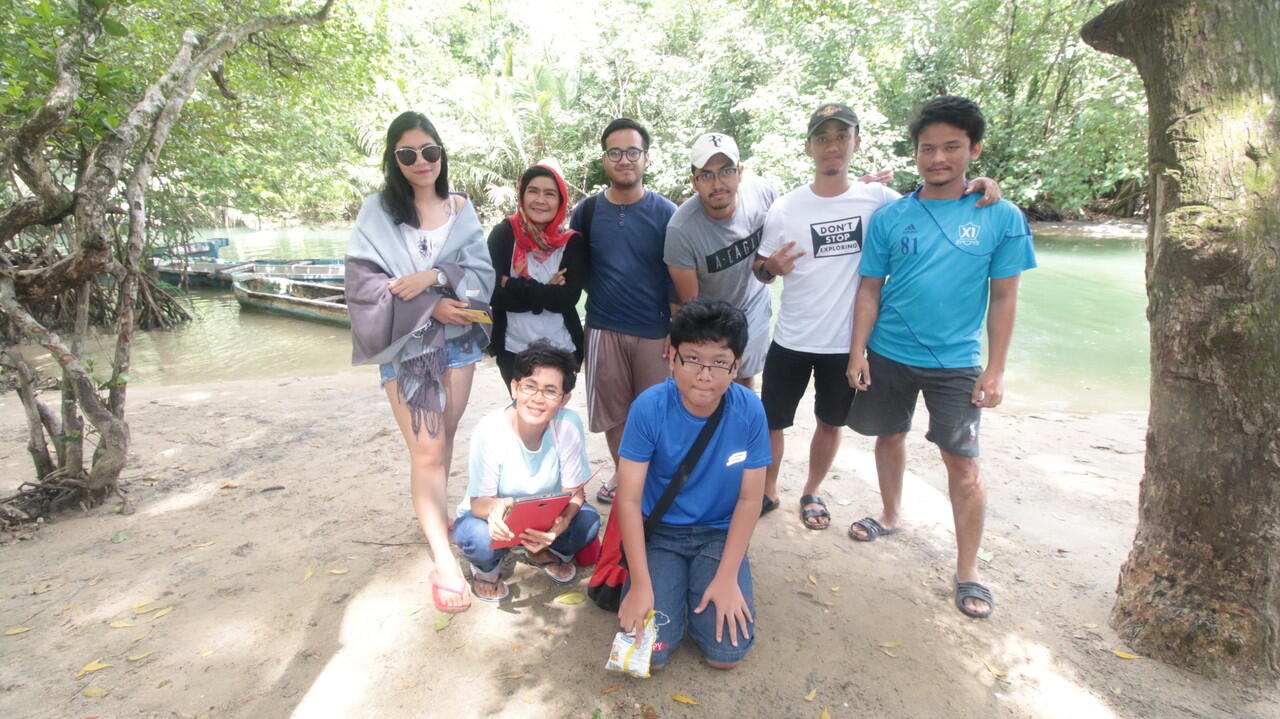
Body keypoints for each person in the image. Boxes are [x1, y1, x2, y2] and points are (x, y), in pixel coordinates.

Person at [754, 103, 999, 530]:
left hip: (847, 346)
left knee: (829, 424)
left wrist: (981, 186)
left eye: (842, 137)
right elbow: (758, 272)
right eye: (823, 138)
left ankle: (811, 490)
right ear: (809, 147)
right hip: (791, 339)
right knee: (772, 422)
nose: (833, 146)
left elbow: (934, 203)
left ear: (856, 143)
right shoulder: (786, 207)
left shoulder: (880, 201)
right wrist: (771, 267)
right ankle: (769, 489)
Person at [846, 96, 1037, 619]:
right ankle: (889, 513)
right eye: (928, 148)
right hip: (888, 352)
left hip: (957, 360)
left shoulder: (999, 215)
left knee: (964, 463)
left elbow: (1003, 297)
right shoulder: (892, 216)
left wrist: (996, 369)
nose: (938, 158)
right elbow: (869, 289)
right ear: (915, 155)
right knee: (889, 435)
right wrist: (857, 351)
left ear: (974, 150)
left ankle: (968, 569)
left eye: (951, 147)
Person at [345, 111, 495, 614]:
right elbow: (364, 285)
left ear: (441, 154)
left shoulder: (460, 207)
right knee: (427, 451)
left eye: (429, 151)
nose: (420, 162)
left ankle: (433, 516)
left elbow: (480, 272)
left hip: (459, 345)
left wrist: (432, 277)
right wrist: (430, 304)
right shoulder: (377, 212)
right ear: (394, 159)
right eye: (407, 154)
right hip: (408, 349)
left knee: (443, 440)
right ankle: (444, 560)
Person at [615, 299, 770, 671]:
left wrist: (728, 575)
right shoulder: (648, 407)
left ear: (737, 366)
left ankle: (700, 582)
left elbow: (750, 500)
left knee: (726, 656)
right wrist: (640, 584)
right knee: (646, 659)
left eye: (719, 362)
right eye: (693, 359)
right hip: (662, 533)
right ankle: (669, 584)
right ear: (672, 358)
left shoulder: (749, 410)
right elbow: (630, 499)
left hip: (716, 534)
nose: (705, 374)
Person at [570, 118, 678, 506]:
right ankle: (626, 476)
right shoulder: (586, 212)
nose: (625, 159)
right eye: (615, 152)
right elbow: (574, 269)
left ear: (645, 158)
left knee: (657, 416)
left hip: (655, 330)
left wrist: (676, 327)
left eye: (633, 151)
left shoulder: (667, 212)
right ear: (605, 159)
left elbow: (675, 275)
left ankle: (653, 481)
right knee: (613, 416)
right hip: (603, 327)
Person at [451, 341, 601, 601]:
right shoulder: (490, 430)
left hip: (546, 516)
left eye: (551, 391)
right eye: (529, 386)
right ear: (514, 388)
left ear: (565, 399)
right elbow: (478, 504)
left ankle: (538, 549)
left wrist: (561, 524)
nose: (537, 399)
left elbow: (575, 494)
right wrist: (497, 509)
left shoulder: (568, 425)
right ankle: (487, 567)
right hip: (497, 517)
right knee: (474, 535)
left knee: (588, 521)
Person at [663, 133, 774, 392]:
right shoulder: (681, 229)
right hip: (711, 315)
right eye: (706, 175)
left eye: (726, 171)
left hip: (754, 307)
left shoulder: (763, 193)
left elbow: (796, 219)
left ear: (740, 172)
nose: (718, 183)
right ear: (693, 181)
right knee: (710, 386)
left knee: (743, 383)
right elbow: (690, 303)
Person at [486, 164, 586, 388]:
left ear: (560, 201)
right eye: (533, 191)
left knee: (554, 411)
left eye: (550, 193)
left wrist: (511, 283)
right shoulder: (503, 234)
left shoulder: (571, 242)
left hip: (561, 348)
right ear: (522, 196)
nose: (540, 200)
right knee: (522, 414)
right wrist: (545, 292)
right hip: (513, 349)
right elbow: (493, 294)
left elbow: (566, 299)